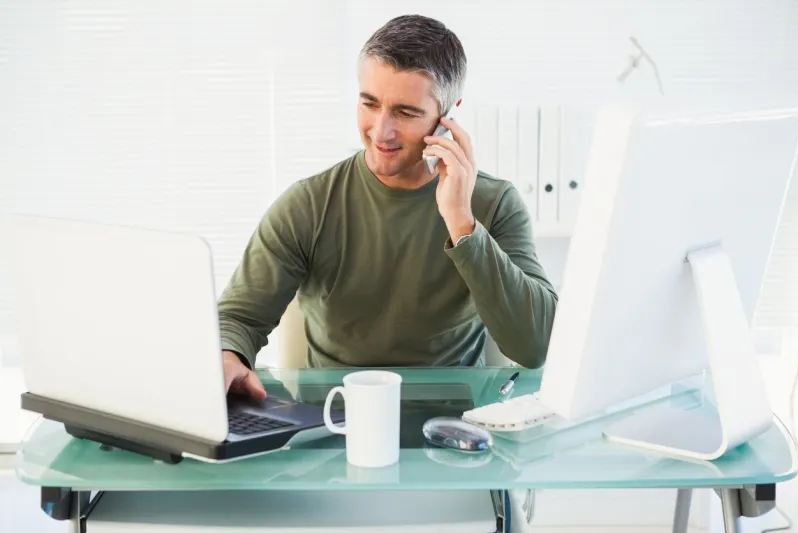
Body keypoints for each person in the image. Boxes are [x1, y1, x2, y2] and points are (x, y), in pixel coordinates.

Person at [218, 14, 558, 400]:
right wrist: (227, 355)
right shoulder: (309, 203)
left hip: (456, 428)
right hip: (332, 420)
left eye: (405, 112)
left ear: (448, 115)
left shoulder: (494, 204)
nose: (381, 132)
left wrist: (462, 223)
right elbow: (237, 317)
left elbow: (536, 347)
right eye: (370, 103)